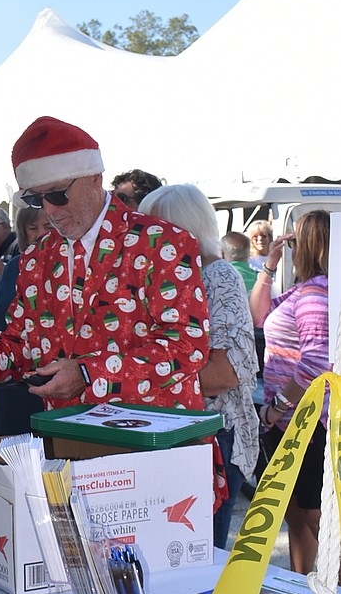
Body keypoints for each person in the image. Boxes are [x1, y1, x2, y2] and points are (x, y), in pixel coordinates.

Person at [0, 116, 209, 413]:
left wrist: (90, 374)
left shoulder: (163, 242)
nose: (50, 210)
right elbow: (21, 348)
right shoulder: (36, 258)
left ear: (95, 178)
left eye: (57, 194)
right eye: (36, 200)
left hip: (155, 441)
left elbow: (186, 346)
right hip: (68, 440)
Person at [140, 185, 258, 549]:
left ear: (179, 230)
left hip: (213, 437)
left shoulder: (217, 276)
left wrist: (139, 383)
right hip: (181, 433)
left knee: (198, 559)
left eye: (152, 228)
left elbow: (224, 374)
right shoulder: (168, 280)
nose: (143, 238)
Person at [249, 210, 330, 573]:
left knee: (317, 518)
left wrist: (278, 408)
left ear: (310, 245)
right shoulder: (304, 290)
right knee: (297, 513)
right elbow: (258, 316)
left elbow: (316, 361)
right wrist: (269, 266)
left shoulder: (315, 294)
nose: (289, 246)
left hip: (308, 424)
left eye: (293, 240)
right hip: (296, 423)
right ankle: (304, 590)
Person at [0, 204, 51, 436]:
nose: (42, 233)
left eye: (48, 226)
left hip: (48, 406)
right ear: (23, 231)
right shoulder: (14, 267)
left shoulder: (74, 271)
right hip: (6, 403)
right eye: (33, 227)